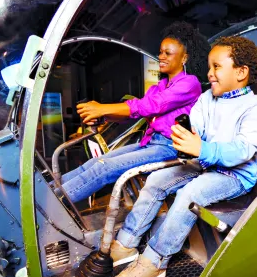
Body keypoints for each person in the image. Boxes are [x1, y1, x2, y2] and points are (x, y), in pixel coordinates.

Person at [106, 36, 257, 277]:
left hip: (235, 174)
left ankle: (154, 261)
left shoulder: (256, 109)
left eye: (217, 67)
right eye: (209, 67)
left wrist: (202, 148)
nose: (210, 73)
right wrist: (187, 136)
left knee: (190, 194)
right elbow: (197, 128)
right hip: (203, 163)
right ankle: (126, 243)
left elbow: (243, 150)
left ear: (241, 73)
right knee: (156, 180)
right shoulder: (207, 99)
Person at [58, 22, 209, 204]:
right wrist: (103, 115)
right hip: (150, 143)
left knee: (103, 169)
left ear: (184, 58)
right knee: (92, 164)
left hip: (169, 147)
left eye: (167, 53)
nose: (161, 56)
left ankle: (49, 206)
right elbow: (135, 113)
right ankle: (44, 192)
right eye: (160, 52)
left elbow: (152, 105)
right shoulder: (159, 87)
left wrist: (103, 108)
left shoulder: (190, 83)